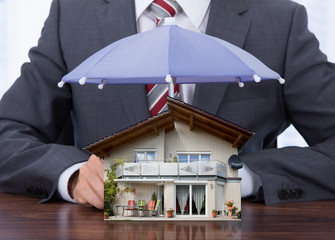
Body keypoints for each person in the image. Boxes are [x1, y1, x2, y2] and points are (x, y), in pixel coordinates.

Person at [1, 0, 335, 209]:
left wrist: (242, 176)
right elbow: (8, 132)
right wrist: (74, 176)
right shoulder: (73, 15)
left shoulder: (281, 22)